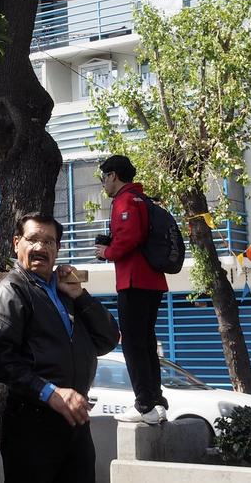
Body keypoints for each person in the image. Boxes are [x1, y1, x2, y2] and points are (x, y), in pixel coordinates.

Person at [0, 213, 120, 483]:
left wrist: (80, 296)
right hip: (32, 423)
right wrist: (50, 393)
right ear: (15, 243)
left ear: (57, 249)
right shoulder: (11, 290)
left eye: (49, 242)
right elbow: (1, 360)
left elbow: (108, 338)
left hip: (75, 423)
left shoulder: (65, 291)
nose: (40, 248)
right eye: (33, 239)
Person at [94, 154, 169, 424]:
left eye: (104, 177)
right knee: (147, 342)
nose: (104, 183)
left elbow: (130, 237)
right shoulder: (143, 199)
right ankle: (155, 399)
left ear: (113, 175)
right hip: (153, 281)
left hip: (134, 280)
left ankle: (144, 404)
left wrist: (107, 251)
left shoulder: (125, 200)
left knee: (134, 344)